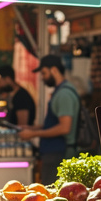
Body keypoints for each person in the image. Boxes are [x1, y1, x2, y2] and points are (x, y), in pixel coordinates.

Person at [18, 55, 79, 185]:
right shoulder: (61, 91)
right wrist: (32, 128)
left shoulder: (64, 94)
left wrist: (33, 134)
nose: (42, 77)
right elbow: (54, 123)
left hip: (59, 155)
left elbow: (64, 127)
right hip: (54, 153)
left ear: (54, 70)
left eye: (44, 73)